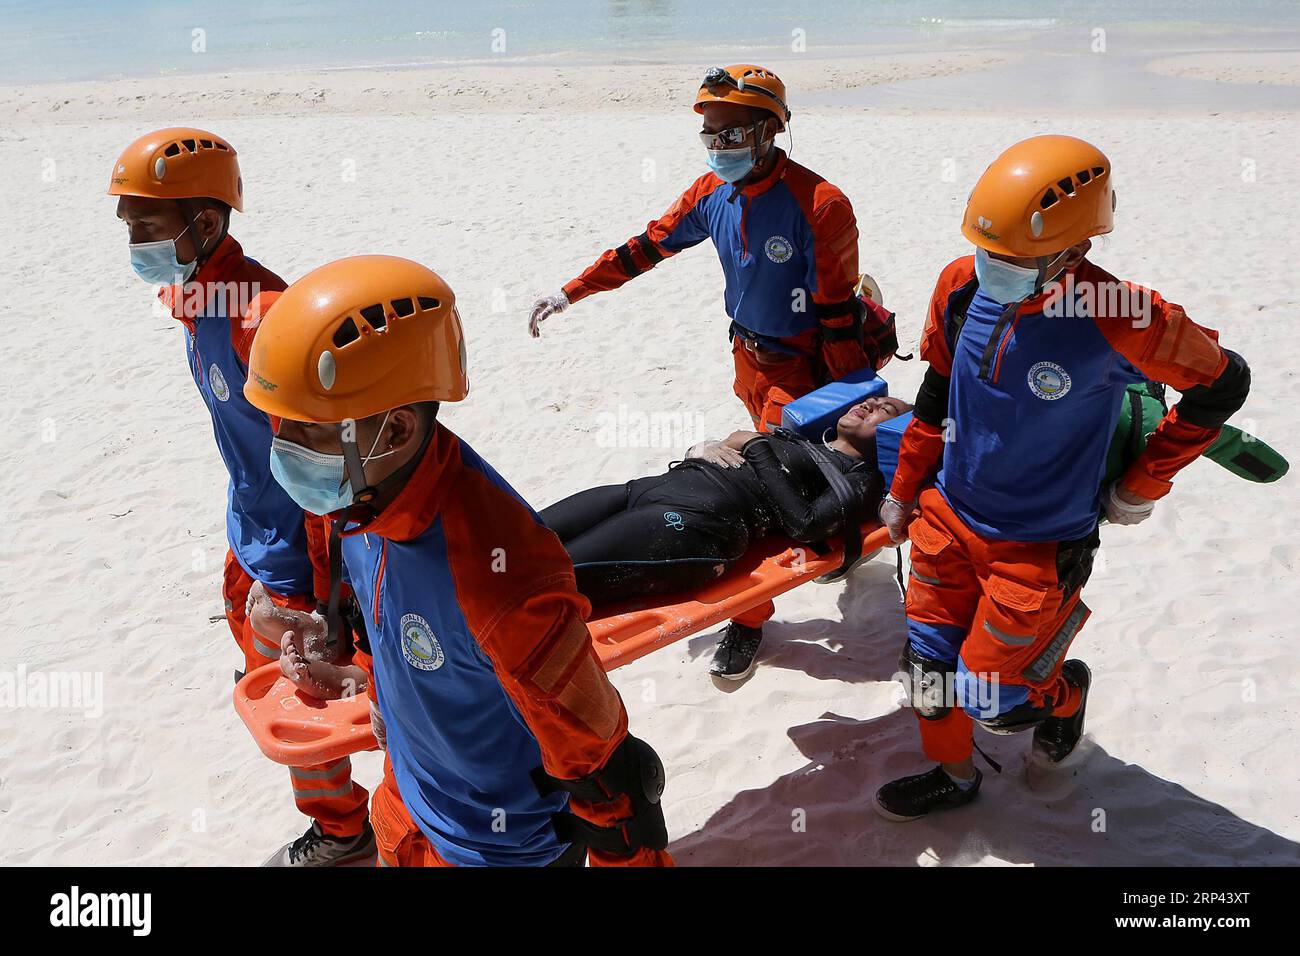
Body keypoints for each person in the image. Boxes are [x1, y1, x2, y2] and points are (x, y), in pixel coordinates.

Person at [242, 255, 673, 867]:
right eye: (282, 428)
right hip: (410, 808)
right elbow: (399, 631)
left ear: (394, 432)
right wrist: (348, 661)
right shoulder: (364, 502)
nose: (285, 451)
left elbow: (604, 772)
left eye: (308, 434)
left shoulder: (499, 577)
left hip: (498, 848)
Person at [875, 135, 1251, 820]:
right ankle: (954, 777)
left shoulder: (1124, 315)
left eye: (1017, 260)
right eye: (991, 252)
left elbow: (1225, 384)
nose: (996, 269)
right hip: (948, 518)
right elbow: (934, 394)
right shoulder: (962, 283)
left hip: (1039, 545)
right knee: (927, 670)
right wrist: (903, 488)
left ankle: (1066, 693)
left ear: (1075, 251)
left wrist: (1143, 483)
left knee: (995, 700)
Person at [529, 64, 895, 667]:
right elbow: (647, 247)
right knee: (772, 474)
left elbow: (834, 310)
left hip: (802, 367)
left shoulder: (822, 205)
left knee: (764, 494)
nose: (719, 148)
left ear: (769, 131)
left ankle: (749, 620)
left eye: (731, 134)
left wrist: (846, 392)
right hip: (746, 357)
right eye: (711, 136)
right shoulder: (711, 194)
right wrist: (572, 292)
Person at [108, 128, 372, 865]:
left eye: (146, 225)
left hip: (296, 548)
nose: (132, 239)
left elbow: (334, 459)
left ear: (208, 223)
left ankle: (346, 832)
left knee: (305, 706)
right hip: (250, 530)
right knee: (267, 671)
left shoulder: (261, 318)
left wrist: (319, 587)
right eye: (127, 224)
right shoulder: (195, 295)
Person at [542, 396, 910, 678]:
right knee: (524, 535)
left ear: (896, 437)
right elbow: (736, 450)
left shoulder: (861, 478)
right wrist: (708, 446)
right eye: (875, 399)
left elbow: (806, 523)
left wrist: (755, 445)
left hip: (698, 524)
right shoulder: (804, 438)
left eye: (886, 410)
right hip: (646, 489)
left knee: (547, 576)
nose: (872, 404)